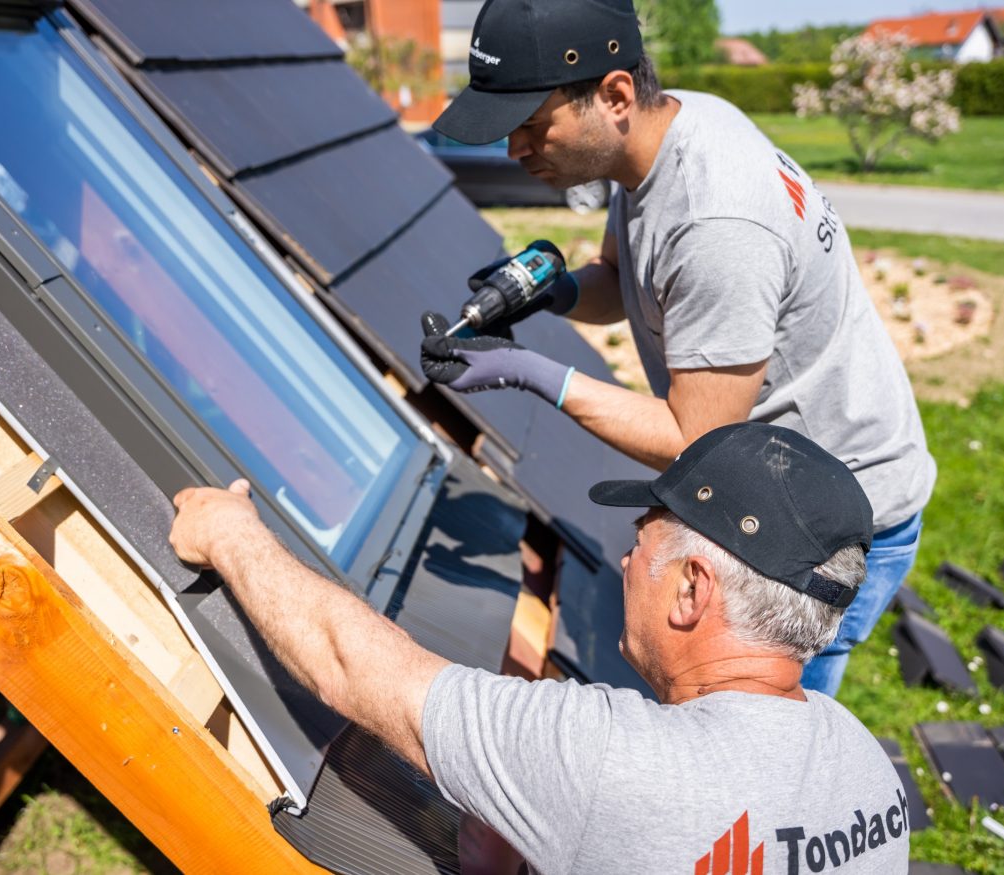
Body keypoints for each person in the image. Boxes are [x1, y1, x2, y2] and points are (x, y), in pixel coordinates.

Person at [419, 0, 935, 695]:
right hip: (774, 479)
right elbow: (621, 278)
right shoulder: (668, 134)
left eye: (531, 126)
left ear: (615, 96)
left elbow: (692, 435)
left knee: (762, 731)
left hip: (831, 517)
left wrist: (528, 370)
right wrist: (548, 293)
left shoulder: (719, 220)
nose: (514, 150)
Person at [170, 422, 910, 874]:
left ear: (692, 589)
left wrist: (231, 535)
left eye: (642, 542)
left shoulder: (607, 758)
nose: (626, 562)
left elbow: (348, 664)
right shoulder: (866, 768)